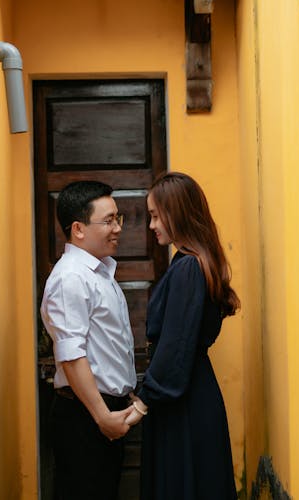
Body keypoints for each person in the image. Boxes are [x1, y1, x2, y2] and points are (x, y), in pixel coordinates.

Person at [125, 172, 240, 500]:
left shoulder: (188, 267)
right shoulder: (191, 262)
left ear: (177, 214)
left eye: (155, 216)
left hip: (184, 399)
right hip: (188, 393)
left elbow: (176, 345)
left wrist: (145, 402)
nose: (151, 225)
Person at [40, 180, 136, 500]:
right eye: (108, 220)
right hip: (85, 418)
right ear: (78, 229)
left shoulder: (99, 272)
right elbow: (71, 355)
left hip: (104, 413)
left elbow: (107, 347)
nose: (117, 228)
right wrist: (102, 416)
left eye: (118, 219)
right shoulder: (71, 278)